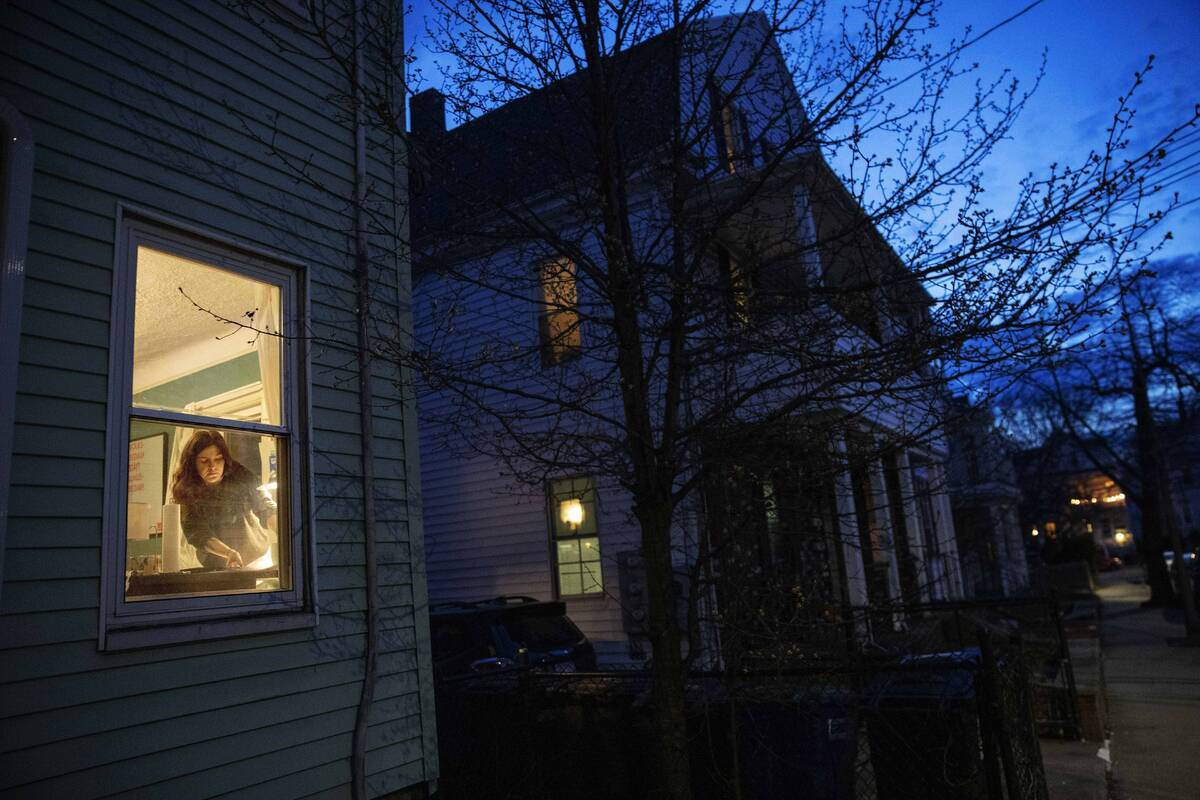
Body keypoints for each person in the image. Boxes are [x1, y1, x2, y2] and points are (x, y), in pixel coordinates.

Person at [171, 429, 275, 570]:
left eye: (218, 459)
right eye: (204, 461)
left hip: (258, 558)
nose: (212, 466)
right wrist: (228, 553)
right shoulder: (186, 490)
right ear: (192, 464)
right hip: (217, 565)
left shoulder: (240, 475)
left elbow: (264, 506)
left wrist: (285, 534)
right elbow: (198, 533)